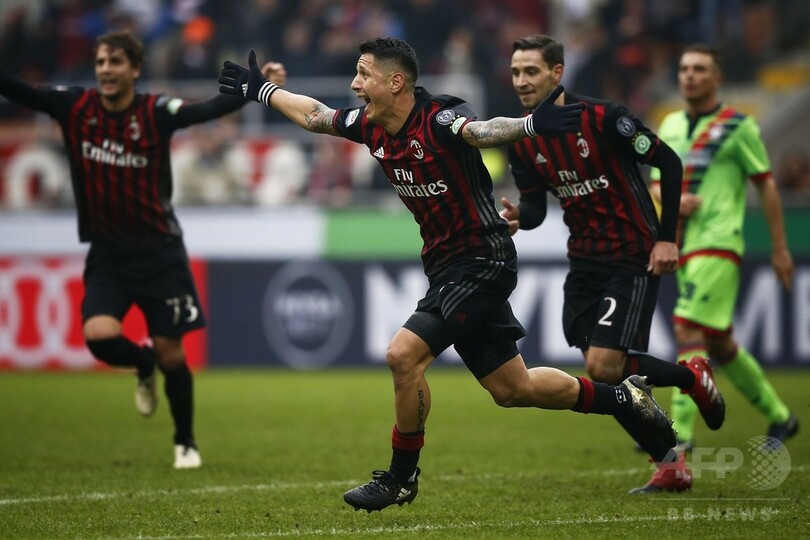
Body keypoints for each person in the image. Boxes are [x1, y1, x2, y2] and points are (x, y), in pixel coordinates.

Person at [218, 37, 676, 512]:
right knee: (512, 389)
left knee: (402, 356)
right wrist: (264, 92)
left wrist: (528, 125)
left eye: (363, 74)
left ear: (396, 82)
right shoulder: (371, 126)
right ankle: (624, 399)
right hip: (445, 267)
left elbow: (481, 132)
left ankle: (400, 477)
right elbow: (316, 115)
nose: (354, 85)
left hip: (482, 261)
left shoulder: (438, 118)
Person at [0, 30, 286, 469]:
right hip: (108, 254)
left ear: (135, 69)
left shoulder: (154, 111)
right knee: (98, 337)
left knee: (174, 355)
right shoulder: (75, 107)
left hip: (160, 254)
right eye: (100, 62)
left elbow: (205, 110)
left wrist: (258, 90)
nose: (106, 70)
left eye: (115, 62)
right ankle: (142, 363)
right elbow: (23, 92)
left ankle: (185, 440)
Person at [499, 34, 726, 494]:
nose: (521, 81)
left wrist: (666, 239)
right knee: (613, 372)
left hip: (632, 253)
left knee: (605, 367)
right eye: (516, 72)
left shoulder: (604, 119)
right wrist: (520, 216)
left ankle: (690, 381)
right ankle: (672, 462)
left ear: (557, 73)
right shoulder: (521, 140)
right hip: (584, 259)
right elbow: (537, 205)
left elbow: (669, 163)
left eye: (531, 71)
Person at [651, 43, 798, 449]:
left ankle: (679, 433)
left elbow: (766, 184)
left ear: (717, 78)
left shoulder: (738, 127)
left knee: (686, 327)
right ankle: (781, 416)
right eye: (684, 68)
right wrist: (671, 198)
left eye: (699, 69)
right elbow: (655, 184)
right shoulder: (670, 125)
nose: (689, 75)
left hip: (718, 241)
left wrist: (780, 248)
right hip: (682, 244)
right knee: (719, 342)